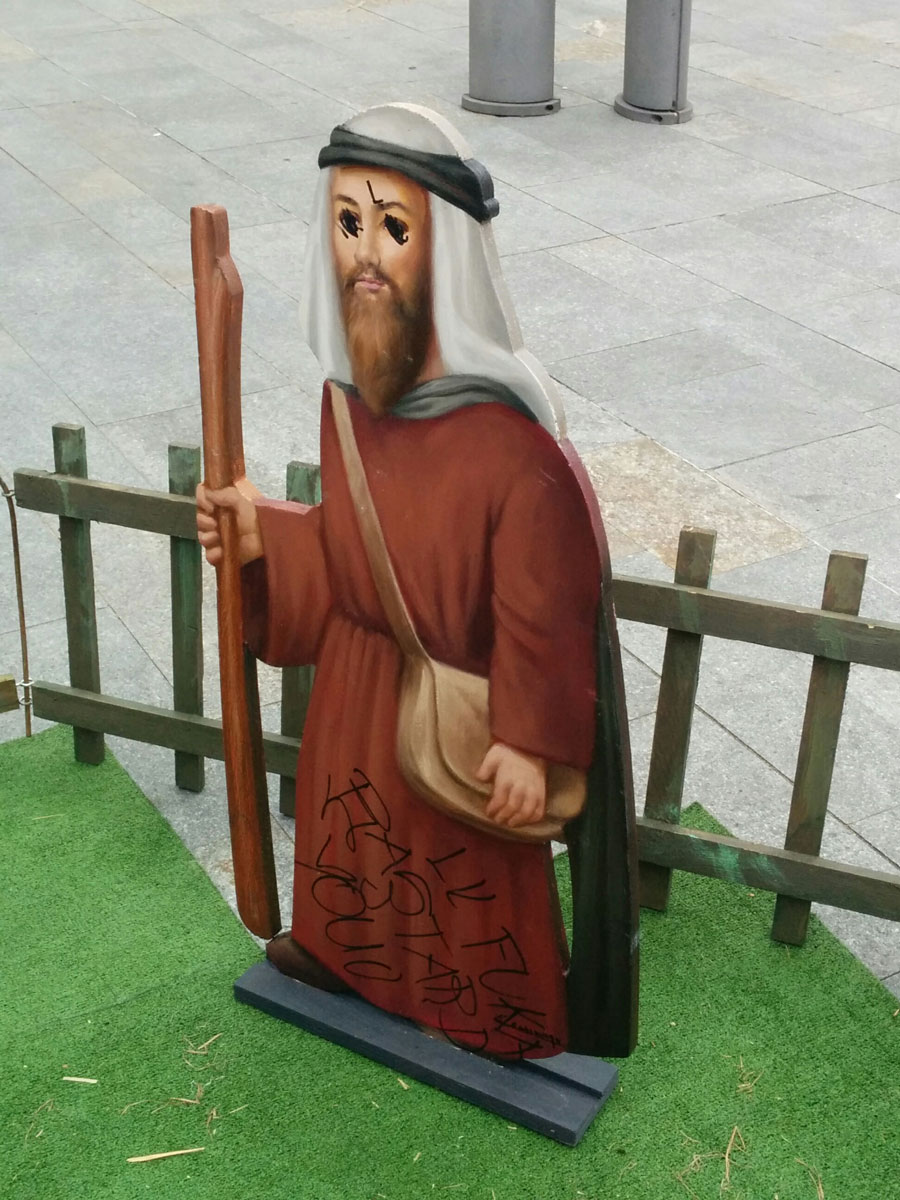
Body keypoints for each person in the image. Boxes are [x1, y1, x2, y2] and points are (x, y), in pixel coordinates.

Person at [197, 104, 624, 1060]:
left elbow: (546, 610)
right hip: (356, 701)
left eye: (394, 226)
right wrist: (264, 537)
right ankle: (343, 961)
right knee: (354, 852)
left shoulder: (515, 449)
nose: (365, 253)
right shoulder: (346, 406)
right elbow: (347, 564)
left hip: (460, 710)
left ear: (448, 252)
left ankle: (492, 1018)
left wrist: (528, 742)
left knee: (458, 884)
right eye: (347, 222)